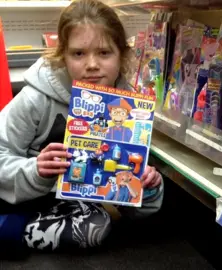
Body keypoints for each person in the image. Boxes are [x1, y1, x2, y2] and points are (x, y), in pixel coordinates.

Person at [0, 0, 163, 253]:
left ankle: (17, 228)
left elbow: (134, 206)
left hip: (69, 205)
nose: (92, 64)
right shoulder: (35, 98)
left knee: (96, 226)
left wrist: (148, 185)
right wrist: (35, 170)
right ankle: (9, 227)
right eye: (78, 53)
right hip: (16, 197)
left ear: (123, 54)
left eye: (104, 53)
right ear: (62, 56)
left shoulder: (129, 108)